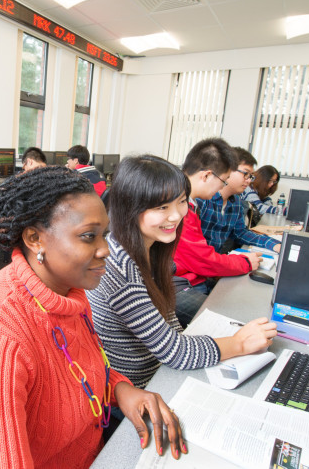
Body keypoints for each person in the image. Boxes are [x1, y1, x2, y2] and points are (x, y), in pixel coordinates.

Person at [0, 166, 187, 468]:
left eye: (105, 235)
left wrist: (121, 389)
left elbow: (76, 369)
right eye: (88, 237)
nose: (105, 250)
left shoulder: (69, 290)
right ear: (35, 238)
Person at [86, 155, 277, 388]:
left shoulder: (149, 248)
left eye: (181, 201)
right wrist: (239, 343)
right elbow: (174, 352)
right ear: (130, 208)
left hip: (160, 370)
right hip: (141, 385)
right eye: (162, 207)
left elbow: (168, 320)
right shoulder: (120, 267)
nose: (177, 215)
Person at [172, 138, 261, 326]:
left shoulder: (188, 202)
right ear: (206, 176)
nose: (223, 186)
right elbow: (202, 259)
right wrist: (244, 262)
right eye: (223, 180)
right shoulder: (177, 207)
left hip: (190, 277)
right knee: (231, 322)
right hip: (175, 284)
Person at [199, 147, 282, 254]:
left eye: (251, 176)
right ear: (227, 169)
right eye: (245, 174)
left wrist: (273, 244)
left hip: (215, 262)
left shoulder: (236, 202)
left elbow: (240, 233)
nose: (248, 181)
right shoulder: (203, 200)